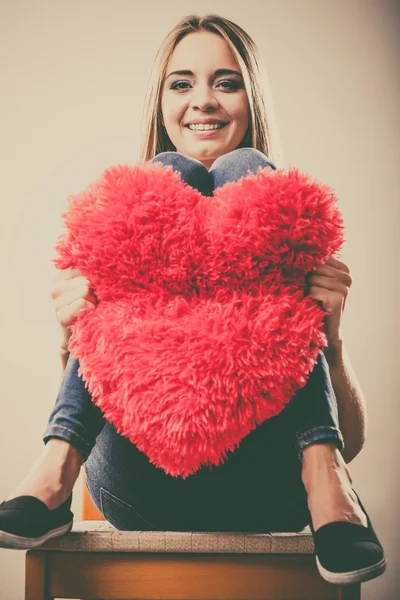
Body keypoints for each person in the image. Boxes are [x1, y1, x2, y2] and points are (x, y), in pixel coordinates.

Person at [0, 13, 386, 586]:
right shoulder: (128, 218)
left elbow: (352, 440)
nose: (202, 100)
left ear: (251, 100)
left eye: (225, 82)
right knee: (165, 176)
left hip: (273, 488)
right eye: (181, 83)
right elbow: (109, 392)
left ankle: (326, 484)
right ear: (161, 103)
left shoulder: (287, 226)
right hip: (138, 484)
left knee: (247, 172)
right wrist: (73, 333)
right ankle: (54, 473)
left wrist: (330, 336)